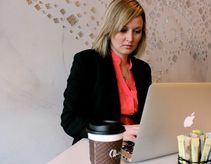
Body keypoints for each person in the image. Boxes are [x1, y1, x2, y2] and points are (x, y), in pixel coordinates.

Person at [61, 0, 152, 144]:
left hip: (134, 145)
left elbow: (148, 117)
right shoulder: (86, 62)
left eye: (137, 31)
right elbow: (70, 120)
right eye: (123, 29)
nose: (130, 38)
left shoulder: (143, 69)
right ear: (110, 28)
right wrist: (118, 131)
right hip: (99, 146)